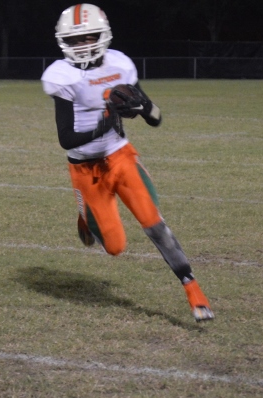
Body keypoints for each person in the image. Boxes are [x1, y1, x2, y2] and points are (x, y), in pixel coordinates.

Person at [40, 4, 214, 322]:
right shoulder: (61, 75)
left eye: (88, 37)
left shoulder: (120, 64)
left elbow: (155, 118)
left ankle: (193, 291)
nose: (82, 45)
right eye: (75, 39)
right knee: (115, 247)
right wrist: (104, 125)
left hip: (120, 157)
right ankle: (86, 217)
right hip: (86, 169)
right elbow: (66, 138)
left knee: (154, 223)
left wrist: (143, 107)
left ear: (103, 35)